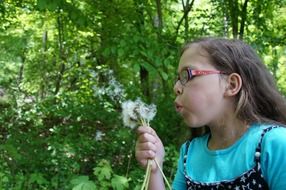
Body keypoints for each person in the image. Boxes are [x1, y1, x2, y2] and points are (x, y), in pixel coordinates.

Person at [135, 37, 286, 190]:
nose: (176, 87)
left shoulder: (275, 144)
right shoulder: (189, 153)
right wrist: (154, 169)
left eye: (186, 75)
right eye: (178, 79)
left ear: (231, 85)